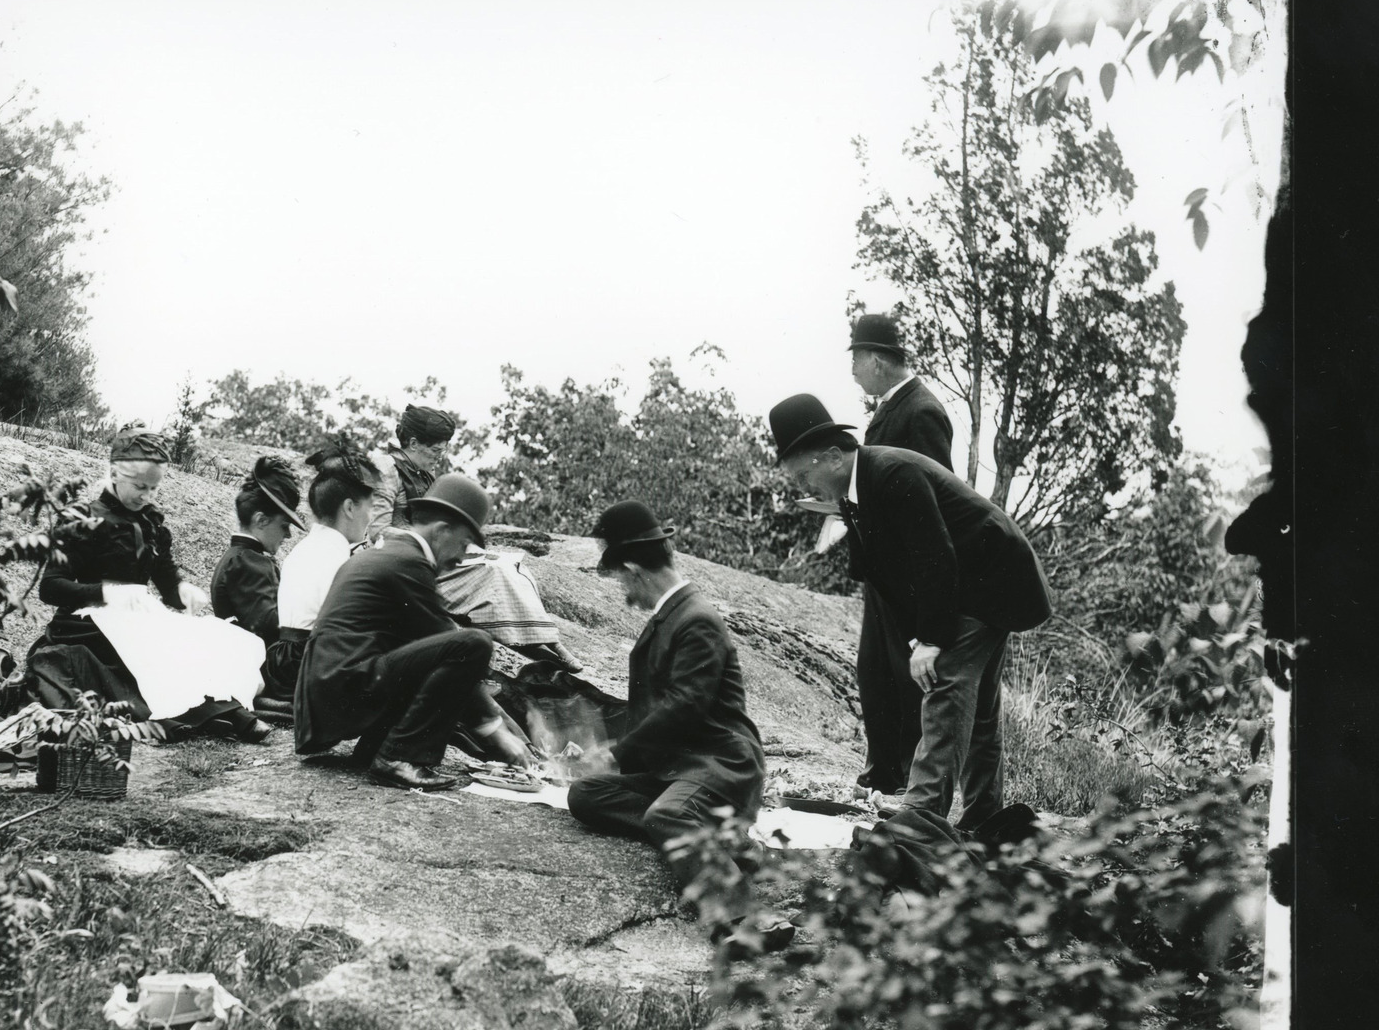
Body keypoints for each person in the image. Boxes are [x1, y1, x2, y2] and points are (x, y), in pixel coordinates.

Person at [770, 393, 1052, 833]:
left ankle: (917, 823)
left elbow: (934, 558)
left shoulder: (893, 473)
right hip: (969, 586)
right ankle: (985, 818)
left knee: (946, 688)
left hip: (993, 580)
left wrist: (933, 639)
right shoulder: (854, 491)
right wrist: (916, 637)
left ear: (832, 456)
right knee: (977, 710)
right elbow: (882, 575)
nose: (806, 488)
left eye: (806, 474)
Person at [28, 428, 270, 742]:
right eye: (140, 486)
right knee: (151, 649)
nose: (147, 496)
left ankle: (232, 712)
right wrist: (107, 593)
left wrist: (182, 592)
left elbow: (167, 584)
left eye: (154, 488)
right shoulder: (80, 519)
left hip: (138, 618)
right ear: (115, 473)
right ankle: (187, 719)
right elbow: (50, 588)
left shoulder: (151, 523)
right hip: (86, 623)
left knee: (204, 638)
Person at [295, 473, 534, 791]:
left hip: (326, 696)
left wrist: (502, 727)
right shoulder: (409, 563)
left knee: (433, 652)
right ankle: (398, 757)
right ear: (441, 531)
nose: (463, 555)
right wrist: (498, 731)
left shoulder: (389, 554)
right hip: (343, 690)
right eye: (463, 543)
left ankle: (376, 748)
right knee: (474, 644)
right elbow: (452, 649)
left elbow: (421, 655)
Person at [566, 501, 767, 870]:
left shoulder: (696, 618)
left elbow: (684, 706)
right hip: (677, 768)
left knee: (666, 814)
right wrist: (608, 751)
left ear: (633, 570)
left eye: (620, 579)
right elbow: (654, 710)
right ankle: (722, 839)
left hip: (719, 766)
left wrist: (615, 754)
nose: (623, 589)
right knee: (585, 795)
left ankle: (743, 916)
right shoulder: (671, 615)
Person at [805, 314, 956, 795]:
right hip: (883, 568)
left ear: (874, 359)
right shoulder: (891, 408)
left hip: (907, 575)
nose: (852, 370)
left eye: (854, 358)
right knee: (874, 672)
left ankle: (905, 784)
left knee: (903, 677)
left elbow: (935, 499)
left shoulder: (922, 411)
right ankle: (882, 773)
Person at [368, 402, 579, 668]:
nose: (439, 456)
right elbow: (376, 530)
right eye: (435, 449)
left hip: (433, 552)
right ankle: (537, 644)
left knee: (509, 564)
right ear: (412, 442)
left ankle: (545, 640)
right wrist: (423, 542)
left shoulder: (424, 472)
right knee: (493, 573)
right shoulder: (386, 467)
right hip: (401, 558)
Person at [273, 435, 383, 701]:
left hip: (283, 663)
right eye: (370, 507)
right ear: (349, 508)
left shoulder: (304, 549)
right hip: (310, 665)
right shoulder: (338, 558)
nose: (371, 517)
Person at [210, 456, 306, 712]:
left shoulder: (243, 558)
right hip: (265, 668)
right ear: (261, 520)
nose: (287, 534)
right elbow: (269, 624)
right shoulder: (248, 562)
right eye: (284, 525)